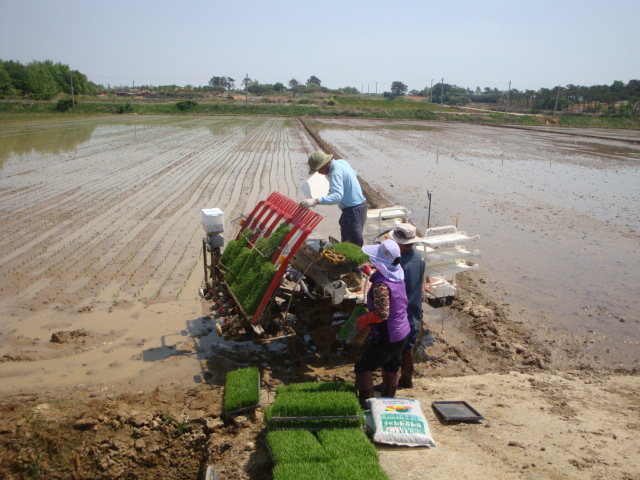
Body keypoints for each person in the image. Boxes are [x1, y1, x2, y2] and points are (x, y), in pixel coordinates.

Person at [354, 239, 410, 408]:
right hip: (402, 331)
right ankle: (388, 396)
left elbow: (381, 314)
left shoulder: (381, 287)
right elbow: (386, 281)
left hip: (388, 334)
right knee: (392, 363)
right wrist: (369, 272)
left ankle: (365, 402)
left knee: (363, 366)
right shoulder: (397, 275)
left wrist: (364, 320)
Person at [300, 149, 367, 247]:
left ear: (325, 164)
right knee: (353, 241)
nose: (318, 173)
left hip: (352, 212)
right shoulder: (341, 162)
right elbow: (354, 173)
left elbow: (337, 197)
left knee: (351, 245)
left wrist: (315, 201)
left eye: (319, 169)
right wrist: (334, 188)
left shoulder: (335, 173)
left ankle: (350, 262)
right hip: (360, 208)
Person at [389, 223, 425, 388]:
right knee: (408, 348)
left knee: (394, 351)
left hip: (400, 313)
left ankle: (389, 385)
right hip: (414, 310)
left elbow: (394, 291)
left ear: (400, 244)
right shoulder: (419, 258)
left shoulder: (398, 264)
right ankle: (407, 380)